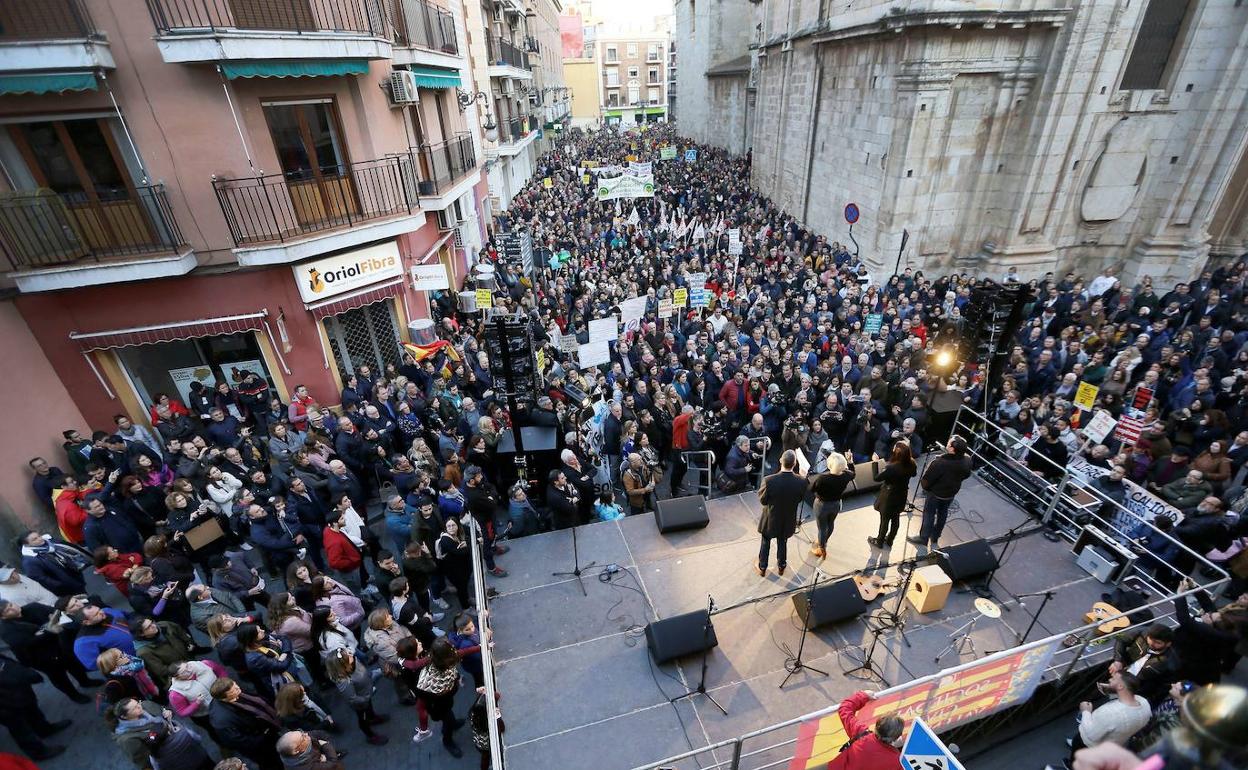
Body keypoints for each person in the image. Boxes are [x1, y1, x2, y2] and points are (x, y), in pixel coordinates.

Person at [110, 697, 216, 770]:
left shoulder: (146, 705)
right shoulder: (127, 739)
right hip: (173, 758)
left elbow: (162, 709)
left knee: (207, 763)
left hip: (187, 743)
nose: (140, 706)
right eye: (135, 708)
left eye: (137, 703)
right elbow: (144, 761)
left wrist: (168, 712)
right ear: (124, 717)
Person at [0, 653, 71, 760]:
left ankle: (44, 729)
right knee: (17, 726)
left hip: (15, 687)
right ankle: (38, 752)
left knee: (30, 708)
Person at [1068, 671, 1151, 762]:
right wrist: (1110, 689)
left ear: (1120, 686)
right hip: (1110, 746)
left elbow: (1091, 735)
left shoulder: (1110, 713)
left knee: (1076, 762)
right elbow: (1122, 698)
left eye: (1114, 679)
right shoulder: (1144, 703)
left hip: (1087, 745)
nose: (1109, 679)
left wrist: (1086, 712)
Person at [910, 436, 974, 549]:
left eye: (949, 444)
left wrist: (927, 489)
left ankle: (923, 538)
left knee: (929, 514)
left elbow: (926, 481)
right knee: (943, 514)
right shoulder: (967, 460)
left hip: (935, 494)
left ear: (952, 450)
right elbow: (967, 474)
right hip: (950, 494)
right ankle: (935, 536)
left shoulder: (939, 463)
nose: (947, 445)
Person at [208, 677, 284, 770]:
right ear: (224, 697)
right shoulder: (221, 720)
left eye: (235, 685)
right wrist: (263, 737)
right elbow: (237, 741)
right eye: (233, 690)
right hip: (260, 746)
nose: (238, 688)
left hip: (267, 729)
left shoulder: (236, 690)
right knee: (272, 762)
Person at [756, 450, 807, 577]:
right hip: (787, 520)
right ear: (795, 464)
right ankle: (781, 566)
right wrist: (802, 477)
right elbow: (800, 498)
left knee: (765, 542)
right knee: (782, 542)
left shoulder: (769, 480)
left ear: (780, 461)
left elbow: (763, 501)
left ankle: (762, 567)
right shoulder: (801, 481)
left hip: (770, 519)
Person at [324, 646, 390, 745]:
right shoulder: (344, 681)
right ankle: (370, 735)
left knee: (369, 707)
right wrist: (365, 698)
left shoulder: (353, 662)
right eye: (348, 656)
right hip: (360, 703)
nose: (351, 654)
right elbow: (352, 698)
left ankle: (372, 717)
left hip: (366, 693)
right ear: (343, 665)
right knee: (362, 718)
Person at [826, 690, 904, 770]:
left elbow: (844, 709)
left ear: (877, 725)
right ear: (897, 737)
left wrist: (863, 695)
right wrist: (900, 748)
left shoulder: (861, 733)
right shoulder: (896, 761)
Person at [1110, 623, 1178, 704]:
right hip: (1119, 671)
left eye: (1157, 642)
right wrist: (1118, 660)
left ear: (1168, 644)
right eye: (1150, 639)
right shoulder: (1142, 632)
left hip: (1136, 689)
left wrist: (1146, 701)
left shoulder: (1171, 662)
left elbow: (1163, 686)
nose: (1151, 643)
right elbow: (1122, 640)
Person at [868, 443, 917, 549]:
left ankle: (879, 541)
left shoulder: (892, 468)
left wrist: (875, 462)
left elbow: (876, 478)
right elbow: (914, 474)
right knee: (896, 518)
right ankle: (890, 540)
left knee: (884, 520)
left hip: (889, 496)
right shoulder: (912, 464)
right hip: (902, 495)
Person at [809, 451, 854, 559]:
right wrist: (850, 461)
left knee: (821, 528)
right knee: (830, 524)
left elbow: (811, 489)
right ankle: (824, 541)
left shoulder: (822, 479)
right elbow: (853, 472)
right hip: (836, 504)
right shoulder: (847, 475)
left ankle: (821, 547)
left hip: (822, 505)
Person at [275, 729, 346, 770]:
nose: (306, 734)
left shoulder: (302, 739)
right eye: (303, 737)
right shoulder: (306, 767)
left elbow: (319, 733)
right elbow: (332, 763)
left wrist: (326, 741)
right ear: (296, 751)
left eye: (301, 732)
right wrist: (325, 745)